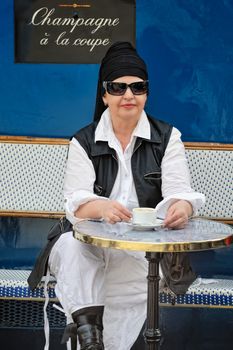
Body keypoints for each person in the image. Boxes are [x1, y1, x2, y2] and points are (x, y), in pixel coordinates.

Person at [29, 41, 205, 350]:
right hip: (89, 250)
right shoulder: (83, 141)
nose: (128, 95)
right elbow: (76, 205)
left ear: (146, 93)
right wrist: (100, 207)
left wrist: (183, 207)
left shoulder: (168, 138)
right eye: (118, 87)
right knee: (71, 243)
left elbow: (181, 193)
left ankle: (93, 342)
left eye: (138, 87)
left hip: (144, 252)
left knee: (125, 282)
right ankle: (90, 340)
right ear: (104, 94)